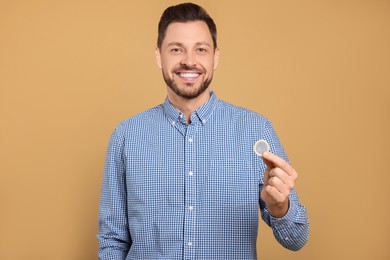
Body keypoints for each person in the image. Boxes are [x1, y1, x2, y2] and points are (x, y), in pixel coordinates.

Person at [97, 2, 309, 259]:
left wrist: (280, 208)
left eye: (201, 49)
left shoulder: (255, 130)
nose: (189, 61)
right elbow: (112, 241)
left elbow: (297, 238)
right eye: (176, 49)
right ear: (158, 56)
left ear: (215, 57)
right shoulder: (126, 136)